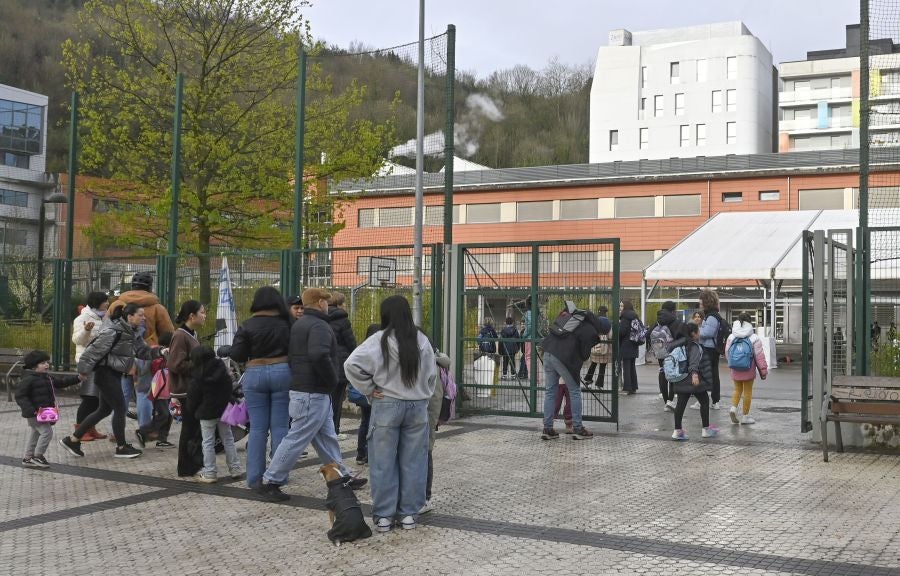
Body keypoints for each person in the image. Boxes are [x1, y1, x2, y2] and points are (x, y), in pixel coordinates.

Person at [256, 287, 365, 502]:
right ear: (319, 303)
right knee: (296, 438)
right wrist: (332, 379)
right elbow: (318, 354)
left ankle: (342, 476)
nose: (327, 304)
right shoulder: (319, 326)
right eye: (325, 301)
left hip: (307, 391)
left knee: (326, 438)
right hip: (313, 392)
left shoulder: (299, 325)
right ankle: (271, 481)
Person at [345, 295, 436, 532]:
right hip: (416, 407)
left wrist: (369, 389)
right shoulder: (422, 340)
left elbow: (351, 364)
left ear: (384, 314)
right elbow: (432, 375)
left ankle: (384, 517)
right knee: (414, 462)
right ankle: (408, 515)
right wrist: (422, 394)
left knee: (383, 462)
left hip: (387, 404)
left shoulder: (378, 340)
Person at [60, 303, 165, 459]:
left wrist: (161, 351)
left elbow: (143, 351)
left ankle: (73, 440)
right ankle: (121, 447)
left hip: (115, 374)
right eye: (141, 315)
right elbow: (93, 351)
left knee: (104, 410)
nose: (144, 318)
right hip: (105, 373)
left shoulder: (132, 332)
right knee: (120, 408)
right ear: (130, 317)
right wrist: (83, 371)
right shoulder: (113, 331)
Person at [228, 286, 292, 488]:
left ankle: (254, 478)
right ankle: (279, 476)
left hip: (254, 374)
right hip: (283, 372)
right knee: (280, 426)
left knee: (257, 428)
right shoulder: (288, 323)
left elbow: (237, 355)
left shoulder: (247, 325)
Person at [107, 272, 176, 418]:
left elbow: (106, 329)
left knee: (122, 392)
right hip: (147, 354)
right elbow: (169, 334)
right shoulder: (157, 308)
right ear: (150, 287)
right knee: (144, 392)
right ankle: (145, 428)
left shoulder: (117, 304)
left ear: (132, 285)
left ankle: (116, 430)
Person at [539, 303, 611, 440]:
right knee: (575, 391)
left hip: (548, 351)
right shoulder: (591, 330)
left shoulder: (577, 317)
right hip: (561, 357)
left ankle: (547, 428)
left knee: (550, 391)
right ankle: (578, 428)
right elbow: (584, 355)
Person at [188, 346, 243, 483]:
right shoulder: (223, 371)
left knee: (207, 443)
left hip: (206, 413)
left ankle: (210, 473)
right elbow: (229, 389)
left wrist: (193, 410)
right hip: (224, 411)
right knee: (228, 439)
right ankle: (235, 469)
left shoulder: (197, 375)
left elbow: (193, 398)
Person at [16, 350, 80, 468]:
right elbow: (20, 396)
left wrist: (78, 378)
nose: (47, 365)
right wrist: (31, 410)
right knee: (47, 432)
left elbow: (60, 382)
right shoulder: (29, 379)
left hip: (44, 412)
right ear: (34, 366)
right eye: (43, 363)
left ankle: (28, 458)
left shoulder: (46, 377)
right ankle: (38, 456)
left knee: (35, 434)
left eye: (47, 362)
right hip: (34, 413)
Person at [167, 300, 207, 478]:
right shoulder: (180, 335)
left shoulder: (192, 334)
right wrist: (201, 364)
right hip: (185, 390)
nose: (205, 316)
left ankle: (193, 464)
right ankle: (186, 466)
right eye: (202, 312)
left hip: (193, 388)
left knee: (194, 427)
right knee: (190, 429)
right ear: (192, 316)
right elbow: (175, 364)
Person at [71, 291, 110, 442]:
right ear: (96, 302)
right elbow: (77, 340)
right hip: (87, 362)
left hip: (101, 362)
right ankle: (80, 430)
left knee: (97, 398)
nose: (107, 303)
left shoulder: (106, 317)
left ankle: (90, 427)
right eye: (105, 301)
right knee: (89, 398)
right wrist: (86, 330)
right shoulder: (82, 318)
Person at [670, 323, 719, 441]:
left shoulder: (678, 345)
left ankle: (677, 431)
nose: (700, 333)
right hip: (693, 380)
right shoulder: (694, 346)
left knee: (680, 405)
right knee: (705, 401)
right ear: (693, 334)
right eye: (698, 331)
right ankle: (706, 429)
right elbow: (694, 362)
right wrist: (695, 375)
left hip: (680, 379)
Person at [725, 313, 768, 425]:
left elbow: (727, 353)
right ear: (750, 323)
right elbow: (759, 357)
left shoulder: (731, 336)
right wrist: (763, 371)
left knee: (737, 389)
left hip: (735, 367)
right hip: (748, 368)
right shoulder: (754, 337)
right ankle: (745, 417)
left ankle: (733, 408)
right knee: (747, 391)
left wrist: (732, 363)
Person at [328, 291, 357, 441]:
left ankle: (324, 431)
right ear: (339, 304)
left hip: (325, 363)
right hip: (339, 363)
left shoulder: (321, 317)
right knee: (337, 399)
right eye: (343, 303)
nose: (345, 305)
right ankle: (334, 430)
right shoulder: (342, 319)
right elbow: (351, 342)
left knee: (326, 400)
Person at [137, 331, 174, 449]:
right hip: (159, 389)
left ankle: (162, 439)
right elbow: (148, 369)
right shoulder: (160, 353)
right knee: (163, 414)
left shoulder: (165, 352)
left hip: (167, 388)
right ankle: (143, 432)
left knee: (169, 414)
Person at [696, 289, 723, 410]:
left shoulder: (712, 316)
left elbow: (708, 332)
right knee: (712, 374)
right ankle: (714, 400)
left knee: (705, 374)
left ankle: (708, 400)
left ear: (706, 302)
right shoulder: (712, 315)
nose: (700, 305)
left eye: (701, 302)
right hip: (711, 349)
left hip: (708, 349)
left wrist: (696, 331)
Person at [654, 301, 683, 411]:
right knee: (672, 374)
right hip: (672, 351)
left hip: (660, 351)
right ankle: (670, 401)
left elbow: (649, 334)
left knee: (662, 372)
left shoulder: (658, 320)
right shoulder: (675, 321)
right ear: (673, 310)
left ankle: (666, 401)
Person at [582, 305, 612, 389]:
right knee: (602, 366)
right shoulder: (608, 322)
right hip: (605, 347)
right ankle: (599, 384)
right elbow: (610, 336)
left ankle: (588, 379)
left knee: (593, 363)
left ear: (598, 311)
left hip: (595, 345)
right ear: (606, 312)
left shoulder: (594, 321)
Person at [618, 299, 640, 395]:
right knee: (632, 367)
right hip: (634, 345)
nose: (620, 308)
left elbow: (622, 331)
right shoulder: (634, 316)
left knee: (626, 368)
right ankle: (633, 387)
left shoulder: (625, 317)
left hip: (626, 345)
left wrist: (616, 331)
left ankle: (627, 388)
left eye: (622, 306)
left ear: (626, 307)